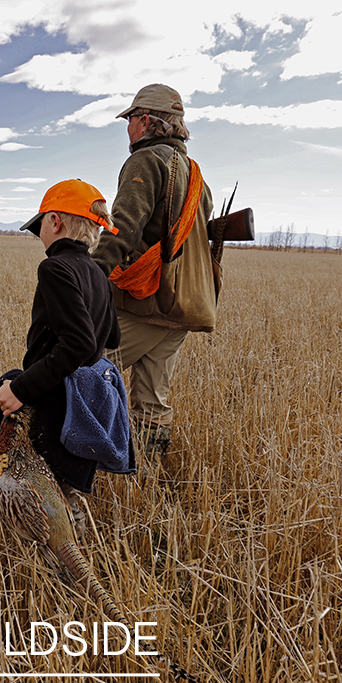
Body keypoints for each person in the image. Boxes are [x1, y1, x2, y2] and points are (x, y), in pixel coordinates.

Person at [0, 179, 133, 531]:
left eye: (41, 224)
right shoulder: (99, 275)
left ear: (56, 222)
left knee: (43, 487)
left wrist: (20, 389)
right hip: (89, 392)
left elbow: (76, 344)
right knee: (60, 487)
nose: (40, 232)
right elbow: (110, 337)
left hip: (58, 395)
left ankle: (57, 546)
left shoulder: (54, 268)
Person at [91, 83, 218, 457]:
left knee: (87, 371)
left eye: (129, 119)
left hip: (146, 302)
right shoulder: (196, 174)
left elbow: (123, 229)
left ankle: (90, 463)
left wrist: (89, 278)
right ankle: (151, 476)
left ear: (144, 120)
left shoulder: (146, 161)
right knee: (152, 402)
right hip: (187, 306)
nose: (128, 127)